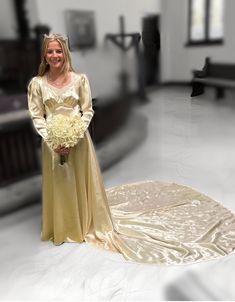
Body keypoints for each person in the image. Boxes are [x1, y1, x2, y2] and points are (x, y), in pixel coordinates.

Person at [28, 33, 235, 265]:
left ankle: (86, 221)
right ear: (44, 55)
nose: (55, 55)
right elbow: (37, 116)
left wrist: (74, 135)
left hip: (79, 141)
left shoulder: (79, 79)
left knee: (80, 180)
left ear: (65, 53)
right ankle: (64, 226)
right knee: (61, 183)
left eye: (59, 51)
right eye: (50, 51)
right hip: (52, 144)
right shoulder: (37, 84)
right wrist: (53, 140)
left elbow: (87, 110)